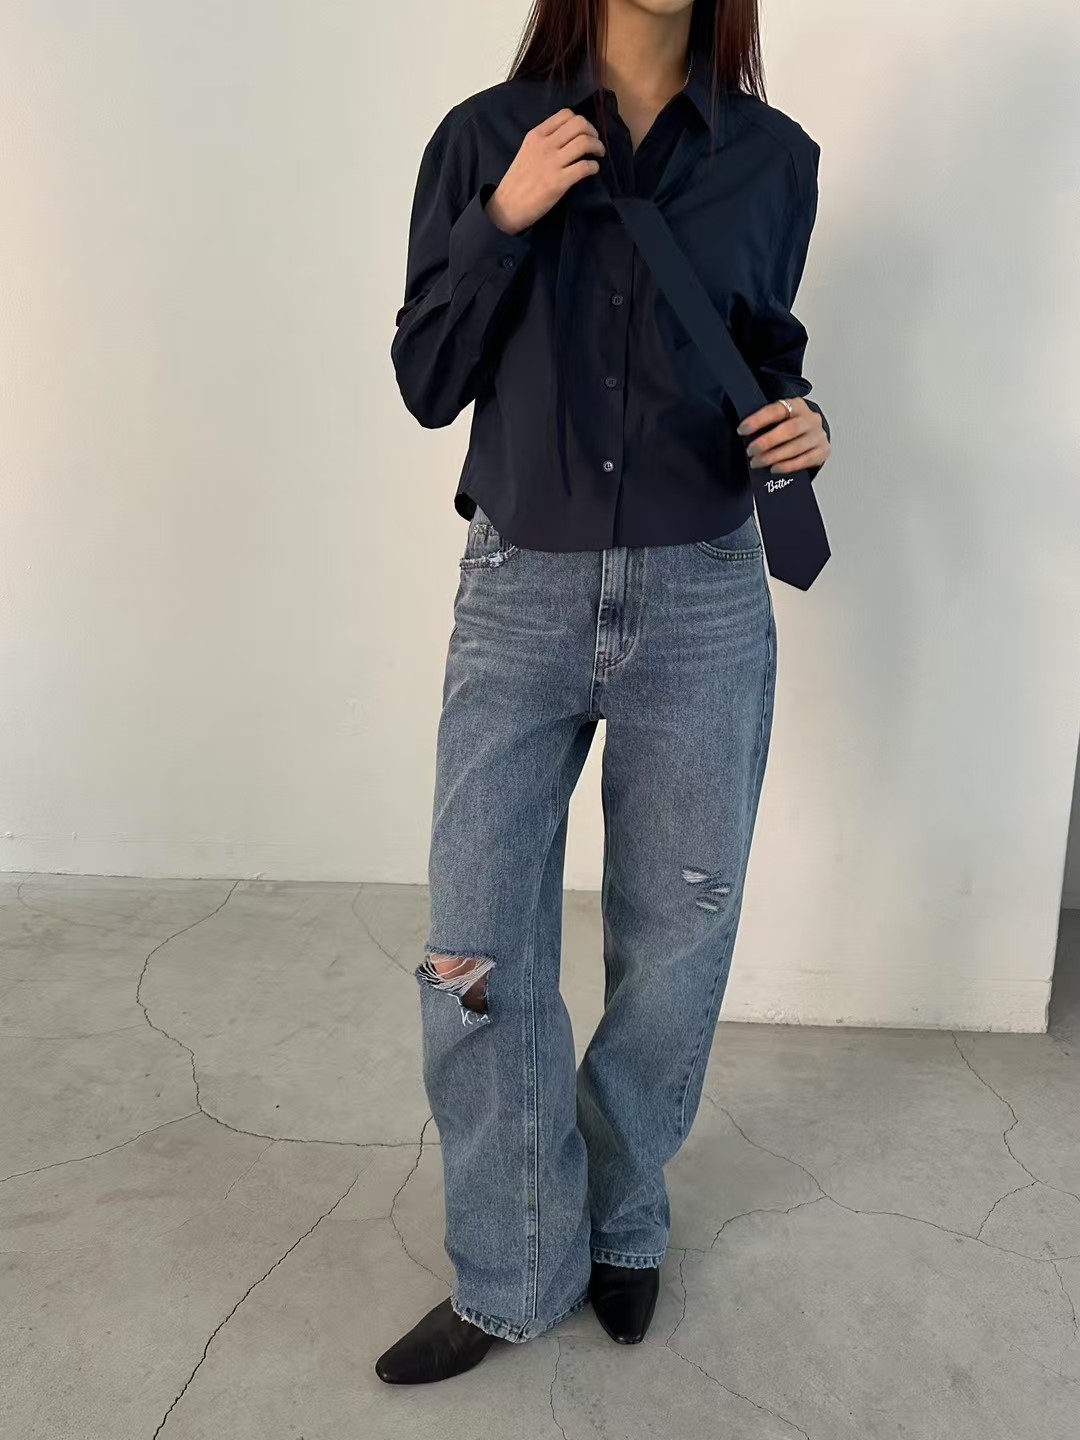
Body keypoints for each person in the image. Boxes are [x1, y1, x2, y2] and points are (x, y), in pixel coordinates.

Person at [377, 0, 831, 1384]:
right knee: (475, 950)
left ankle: (625, 1210)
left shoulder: (775, 158)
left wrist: (803, 420)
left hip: (704, 591)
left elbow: (760, 351)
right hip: (520, 587)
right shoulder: (483, 140)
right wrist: (502, 221)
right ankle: (513, 1265)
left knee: (677, 934)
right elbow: (427, 379)